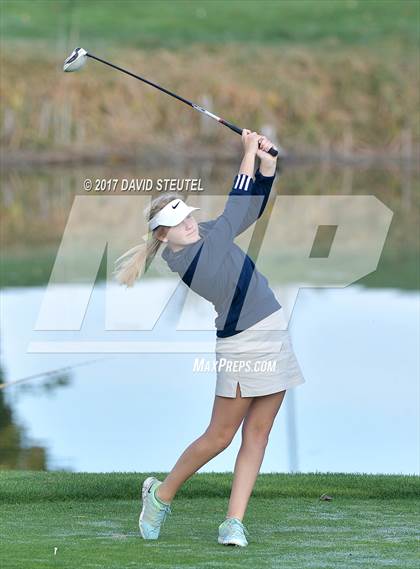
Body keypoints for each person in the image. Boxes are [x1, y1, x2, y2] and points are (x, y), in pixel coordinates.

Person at [113, 129, 306, 547]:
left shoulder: (202, 236)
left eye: (188, 217)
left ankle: (233, 522)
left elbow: (246, 213)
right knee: (219, 436)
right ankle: (160, 497)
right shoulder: (192, 257)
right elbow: (236, 207)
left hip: (273, 328)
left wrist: (267, 169)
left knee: (258, 435)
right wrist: (247, 156)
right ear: (163, 236)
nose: (188, 223)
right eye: (178, 224)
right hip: (241, 344)